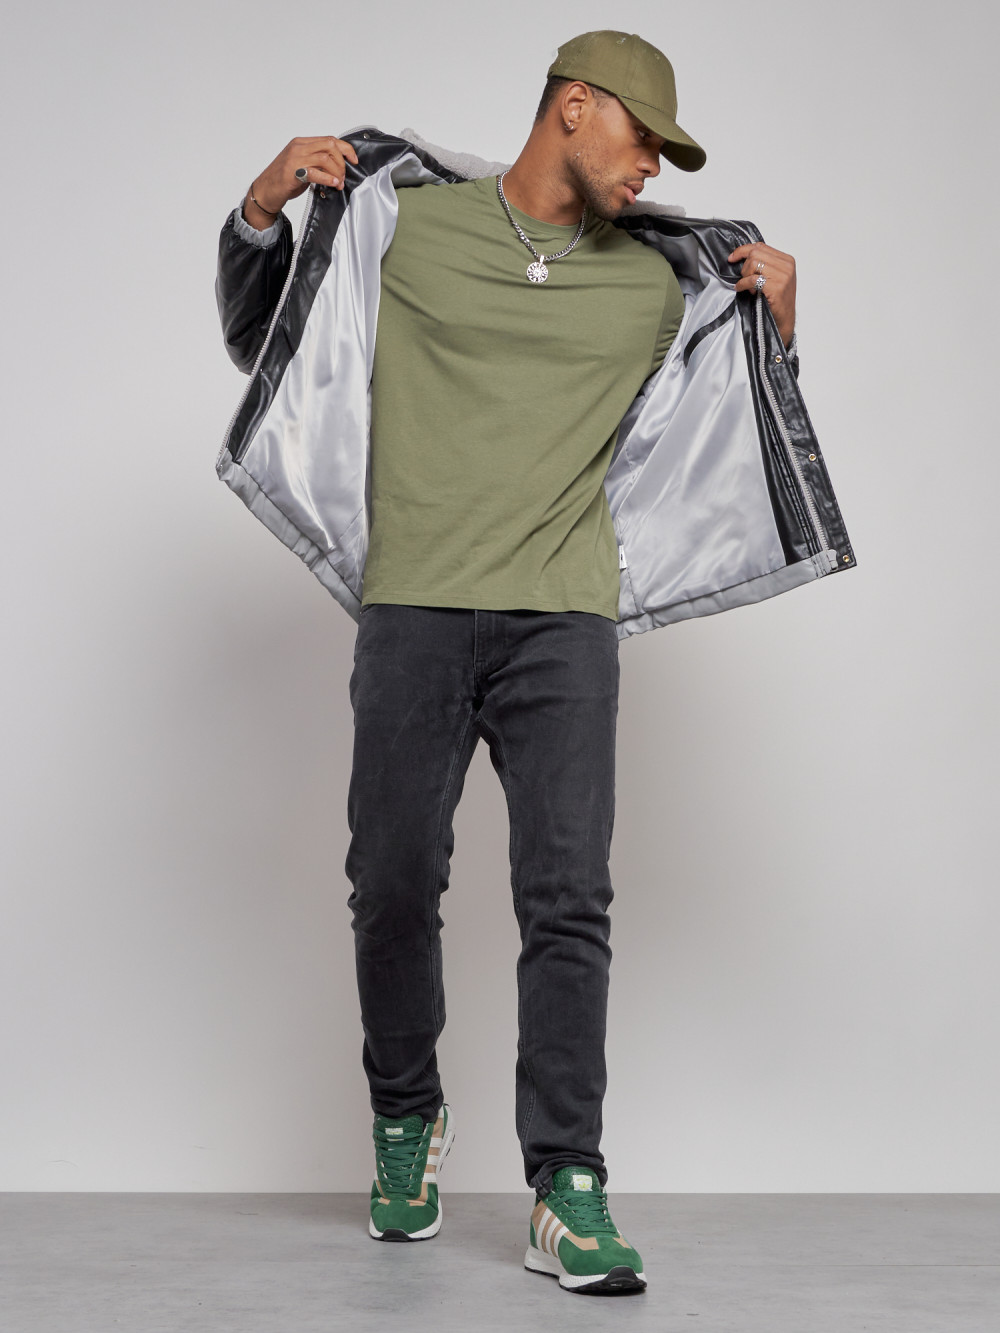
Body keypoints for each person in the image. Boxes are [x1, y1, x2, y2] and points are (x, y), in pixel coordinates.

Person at [215, 30, 854, 1297]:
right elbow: (263, 341)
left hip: (564, 623)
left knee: (568, 898)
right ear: (574, 108)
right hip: (413, 610)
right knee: (391, 882)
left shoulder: (657, 283)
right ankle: (406, 1117)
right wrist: (257, 213)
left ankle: (568, 1184)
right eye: (643, 137)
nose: (652, 166)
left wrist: (779, 331)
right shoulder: (406, 230)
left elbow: (726, 430)